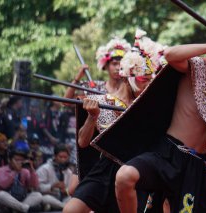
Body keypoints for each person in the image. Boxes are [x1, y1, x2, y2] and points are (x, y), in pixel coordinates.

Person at [114, 1, 206, 212]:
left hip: (196, 164)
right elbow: (170, 55)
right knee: (125, 176)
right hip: (167, 153)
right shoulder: (196, 66)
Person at [63, 29, 165, 213]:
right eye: (144, 80)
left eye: (151, 81)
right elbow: (82, 142)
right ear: (128, 78)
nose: (148, 86)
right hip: (105, 168)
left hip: (134, 170)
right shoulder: (102, 101)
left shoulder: (148, 106)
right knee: (71, 210)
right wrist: (93, 116)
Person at [64, 37, 132, 100]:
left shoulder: (131, 90)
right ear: (106, 66)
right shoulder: (95, 88)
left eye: (121, 64)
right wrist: (78, 77)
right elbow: (66, 101)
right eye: (114, 64)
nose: (118, 68)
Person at [0, 148, 42, 213]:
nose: (19, 162)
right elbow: (3, 185)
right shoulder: (1, 170)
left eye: (22, 160)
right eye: (17, 160)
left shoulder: (25, 171)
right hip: (4, 203)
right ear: (9, 160)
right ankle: (23, 208)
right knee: (0, 195)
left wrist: (32, 170)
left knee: (37, 195)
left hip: (20, 200)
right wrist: (15, 171)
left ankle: (18, 209)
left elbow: (34, 186)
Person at [36, 144, 72, 211]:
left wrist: (66, 190)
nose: (63, 159)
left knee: (73, 198)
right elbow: (37, 187)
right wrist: (51, 186)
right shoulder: (44, 168)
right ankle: (65, 207)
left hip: (63, 198)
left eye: (65, 157)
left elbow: (70, 189)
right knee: (45, 198)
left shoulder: (68, 172)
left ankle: (59, 206)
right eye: (60, 157)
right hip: (50, 197)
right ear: (55, 156)